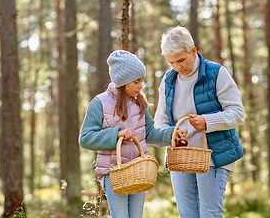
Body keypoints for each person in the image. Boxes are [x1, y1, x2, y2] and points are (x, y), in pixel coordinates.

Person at [79, 50, 186, 218]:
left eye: (141, 81)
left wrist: (171, 134)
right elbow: (85, 139)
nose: (140, 86)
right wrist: (116, 134)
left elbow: (149, 133)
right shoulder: (99, 103)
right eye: (136, 81)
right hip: (114, 173)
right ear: (123, 81)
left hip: (139, 171)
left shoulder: (139, 103)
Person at [154, 26, 245, 218]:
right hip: (180, 157)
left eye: (181, 60)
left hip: (214, 155)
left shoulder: (217, 73)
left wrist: (207, 121)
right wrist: (169, 133)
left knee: (209, 214)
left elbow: (237, 113)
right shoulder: (168, 81)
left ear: (193, 51)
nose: (177, 67)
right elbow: (160, 120)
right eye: (171, 62)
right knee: (186, 215)